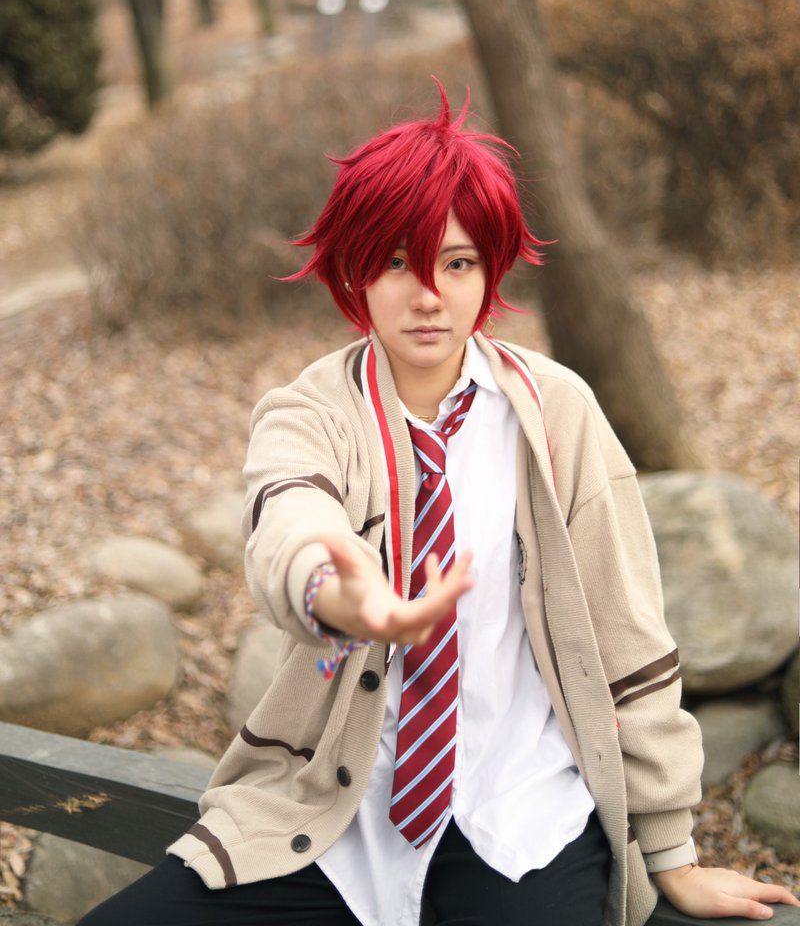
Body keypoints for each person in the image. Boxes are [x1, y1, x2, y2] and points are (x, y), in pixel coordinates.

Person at [80, 84, 798, 926]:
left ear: (491, 270)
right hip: (338, 811)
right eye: (397, 262)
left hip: (522, 814)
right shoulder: (310, 412)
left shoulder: (557, 413)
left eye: (457, 264)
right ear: (355, 269)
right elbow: (289, 519)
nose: (428, 294)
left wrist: (672, 851)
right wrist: (339, 593)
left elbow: (628, 633)